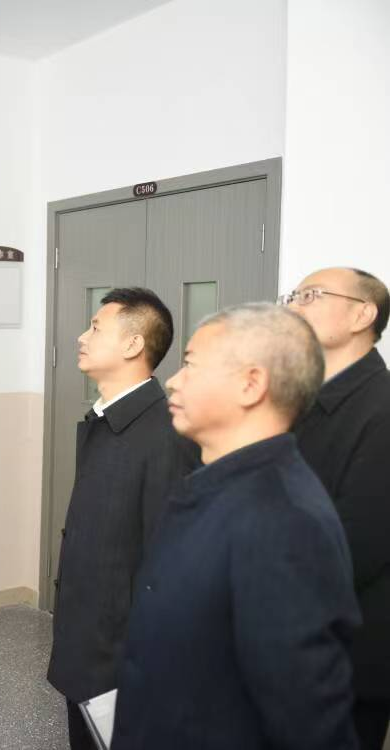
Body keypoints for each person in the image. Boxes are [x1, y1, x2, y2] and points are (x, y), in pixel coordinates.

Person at [112, 304, 361, 750]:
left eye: (190, 364)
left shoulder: (284, 520)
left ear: (251, 384)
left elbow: (309, 719)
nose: (174, 380)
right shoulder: (215, 482)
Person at [46, 288, 198, 749]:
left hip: (122, 656)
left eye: (95, 328)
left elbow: (170, 568)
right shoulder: (106, 418)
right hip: (88, 639)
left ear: (134, 344)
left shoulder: (167, 435)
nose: (81, 336)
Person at [285, 267, 390, 750]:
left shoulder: (381, 408)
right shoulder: (304, 400)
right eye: (292, 295)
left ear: (363, 315)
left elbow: (355, 545)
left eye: (311, 295)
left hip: (344, 656)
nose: (294, 306)